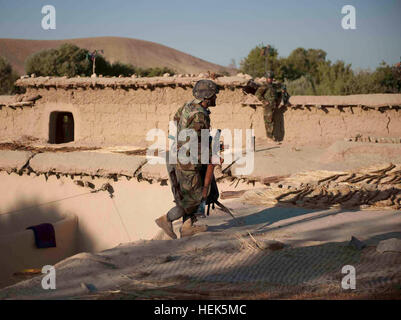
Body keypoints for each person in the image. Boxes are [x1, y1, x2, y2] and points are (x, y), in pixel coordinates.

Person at [155, 80, 221, 239]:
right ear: (207, 96)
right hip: (189, 163)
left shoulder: (187, 106)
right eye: (214, 95)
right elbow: (200, 142)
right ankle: (166, 219)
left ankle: (187, 227)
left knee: (190, 195)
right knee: (195, 199)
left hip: (179, 157)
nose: (216, 98)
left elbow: (175, 122)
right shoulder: (200, 116)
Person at [255, 71, 283, 141]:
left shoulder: (273, 86)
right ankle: (269, 137)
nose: (270, 79)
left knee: (272, 121)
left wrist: (281, 93)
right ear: (267, 78)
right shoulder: (264, 86)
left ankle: (271, 136)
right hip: (267, 107)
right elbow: (257, 94)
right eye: (269, 78)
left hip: (273, 106)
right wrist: (264, 101)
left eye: (271, 78)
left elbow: (275, 95)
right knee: (268, 122)